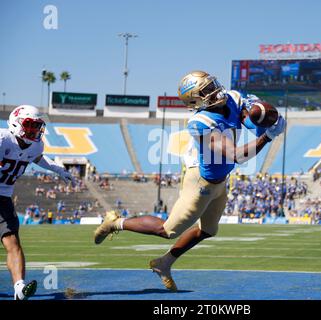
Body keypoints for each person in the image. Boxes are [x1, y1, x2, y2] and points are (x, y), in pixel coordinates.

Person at [93, 70, 285, 291]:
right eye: (207, 91)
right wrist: (269, 136)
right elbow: (237, 155)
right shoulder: (200, 122)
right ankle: (116, 223)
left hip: (221, 180)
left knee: (209, 230)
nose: (215, 92)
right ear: (195, 101)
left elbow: (252, 119)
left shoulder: (233, 98)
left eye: (213, 85)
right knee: (168, 230)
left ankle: (164, 263)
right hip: (201, 182)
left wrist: (268, 120)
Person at [0, 105, 75, 300]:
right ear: (16, 123)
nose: (33, 130)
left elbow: (38, 158)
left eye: (36, 126)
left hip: (4, 197)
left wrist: (59, 169)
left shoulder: (35, 145)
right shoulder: (2, 139)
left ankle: (19, 288)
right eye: (29, 125)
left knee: (13, 242)